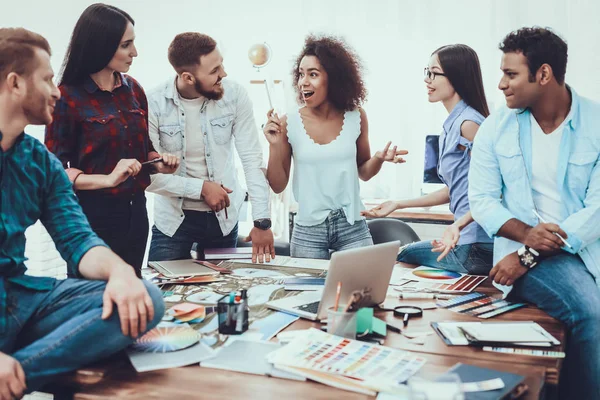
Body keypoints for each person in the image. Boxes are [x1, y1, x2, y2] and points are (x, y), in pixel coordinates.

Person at [0, 27, 164, 399]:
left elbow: (77, 239)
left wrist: (121, 272)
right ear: (15, 84)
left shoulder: (39, 162)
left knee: (144, 298)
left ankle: (20, 374)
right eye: (46, 80)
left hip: (20, 296)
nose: (57, 91)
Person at [468, 27, 600, 398]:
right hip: (523, 255)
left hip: (581, 251)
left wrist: (530, 252)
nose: (500, 84)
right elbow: (482, 200)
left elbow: (597, 210)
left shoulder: (596, 123)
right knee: (589, 313)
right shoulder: (495, 128)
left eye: (510, 74)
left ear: (543, 75)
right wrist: (527, 237)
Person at [45, 3, 179, 276]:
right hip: (93, 217)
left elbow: (146, 150)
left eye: (133, 43)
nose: (135, 52)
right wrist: (107, 179)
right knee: (94, 299)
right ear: (101, 46)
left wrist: (158, 162)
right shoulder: (66, 97)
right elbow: (55, 172)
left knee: (133, 291)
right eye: (126, 45)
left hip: (136, 212)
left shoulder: (134, 89)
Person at [264, 35, 406, 259]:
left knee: (363, 290)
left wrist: (379, 158)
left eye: (313, 74)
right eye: (301, 74)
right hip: (308, 230)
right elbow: (278, 185)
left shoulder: (356, 116)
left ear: (334, 78)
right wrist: (273, 146)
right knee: (306, 293)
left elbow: (364, 172)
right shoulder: (287, 122)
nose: (303, 82)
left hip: (353, 227)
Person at [363, 44, 493, 275]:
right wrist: (398, 204)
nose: (427, 80)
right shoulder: (456, 123)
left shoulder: (469, 124)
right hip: (468, 244)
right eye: (427, 72)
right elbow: (454, 190)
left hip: (474, 246)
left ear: (456, 77)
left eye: (434, 73)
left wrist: (459, 225)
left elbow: (495, 188)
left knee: (401, 253)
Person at [146, 32, 274, 264]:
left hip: (223, 222)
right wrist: (202, 188)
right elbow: (149, 176)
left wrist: (262, 220)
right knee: (165, 297)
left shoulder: (235, 96)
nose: (223, 73)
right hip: (173, 224)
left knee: (221, 296)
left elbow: (251, 160)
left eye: (221, 64)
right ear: (188, 77)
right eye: (214, 70)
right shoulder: (152, 103)